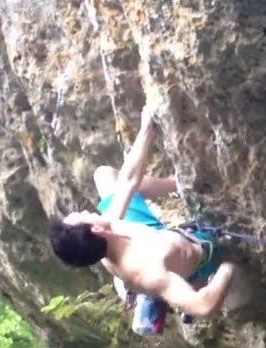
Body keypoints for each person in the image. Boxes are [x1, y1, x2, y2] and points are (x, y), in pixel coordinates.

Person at [48, 102, 236, 328]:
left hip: (149, 238)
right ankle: (151, 297)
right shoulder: (149, 270)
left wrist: (148, 127)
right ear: (96, 229)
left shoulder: (108, 231)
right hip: (199, 253)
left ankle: (178, 183)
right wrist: (228, 269)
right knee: (150, 281)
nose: (84, 210)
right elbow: (203, 306)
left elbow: (128, 180)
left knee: (105, 176)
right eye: (81, 216)